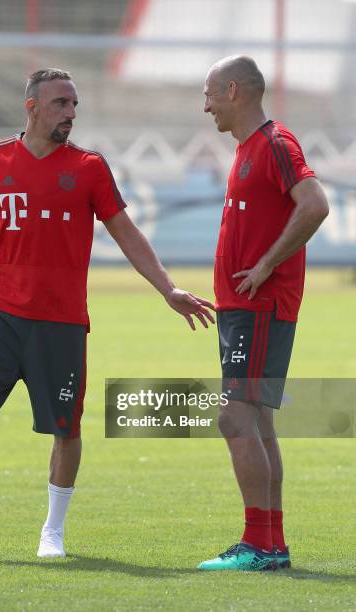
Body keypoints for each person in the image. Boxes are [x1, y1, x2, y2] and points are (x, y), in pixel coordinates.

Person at [0, 68, 215, 558]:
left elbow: (126, 233)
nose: (70, 114)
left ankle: (52, 532)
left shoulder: (90, 168)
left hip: (61, 322)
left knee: (65, 428)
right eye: (60, 104)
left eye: (74, 105)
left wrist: (168, 288)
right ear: (31, 106)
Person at [198, 56, 329, 571]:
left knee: (233, 415)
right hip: (245, 307)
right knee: (257, 420)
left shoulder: (275, 144)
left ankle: (260, 544)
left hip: (259, 305)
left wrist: (265, 265)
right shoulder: (249, 149)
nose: (205, 105)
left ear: (234, 90)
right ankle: (270, 544)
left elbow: (315, 204)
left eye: (209, 94)